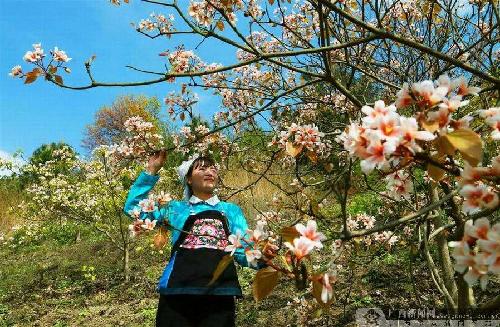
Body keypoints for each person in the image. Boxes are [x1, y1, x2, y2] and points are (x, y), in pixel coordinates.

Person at [123, 150, 260, 327]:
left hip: (220, 293)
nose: (209, 171)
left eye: (212, 168)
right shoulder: (174, 208)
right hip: (177, 291)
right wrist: (151, 171)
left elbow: (241, 249)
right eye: (201, 168)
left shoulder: (231, 210)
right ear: (188, 179)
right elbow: (133, 208)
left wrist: (265, 258)